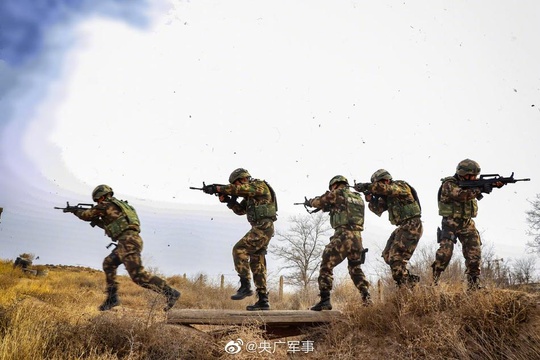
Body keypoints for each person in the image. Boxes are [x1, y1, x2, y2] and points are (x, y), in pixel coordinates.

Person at [69, 185, 181, 311]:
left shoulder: (105, 205)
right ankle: (112, 298)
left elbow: (86, 215)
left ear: (102, 196)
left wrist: (74, 211)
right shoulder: (121, 206)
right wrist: (101, 222)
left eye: (98, 200)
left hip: (128, 242)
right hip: (128, 241)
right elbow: (115, 225)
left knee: (138, 276)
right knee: (108, 263)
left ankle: (170, 293)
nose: (98, 203)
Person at [431, 159, 504, 290]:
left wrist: (492, 185)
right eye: (471, 176)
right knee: (444, 254)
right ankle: (433, 282)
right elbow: (460, 195)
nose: (474, 178)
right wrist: (481, 189)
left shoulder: (471, 184)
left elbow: (471, 192)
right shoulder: (449, 184)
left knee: (474, 253)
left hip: (467, 223)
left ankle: (473, 285)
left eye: (475, 176)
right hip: (450, 223)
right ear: (462, 173)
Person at [210, 168, 277, 311]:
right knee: (256, 262)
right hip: (261, 227)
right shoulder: (250, 195)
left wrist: (218, 188)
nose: (237, 186)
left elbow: (240, 190)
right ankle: (263, 300)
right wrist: (228, 201)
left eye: (237, 183)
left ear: (243, 179)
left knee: (239, 249)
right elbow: (241, 210)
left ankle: (245, 286)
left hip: (263, 227)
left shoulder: (259, 185)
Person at [307, 175, 371, 311]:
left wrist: (310, 202)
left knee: (326, 264)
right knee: (355, 268)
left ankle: (325, 300)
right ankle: (367, 297)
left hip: (343, 235)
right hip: (357, 238)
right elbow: (343, 208)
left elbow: (320, 201)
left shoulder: (337, 193)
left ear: (334, 185)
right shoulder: (357, 197)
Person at [356, 169, 423, 288]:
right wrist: (371, 199)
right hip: (403, 226)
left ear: (386, 180)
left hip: (412, 225)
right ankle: (408, 280)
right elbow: (378, 210)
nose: (377, 186)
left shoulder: (400, 186)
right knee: (387, 255)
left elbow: (388, 189)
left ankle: (406, 287)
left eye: (378, 183)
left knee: (396, 259)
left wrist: (368, 186)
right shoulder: (387, 195)